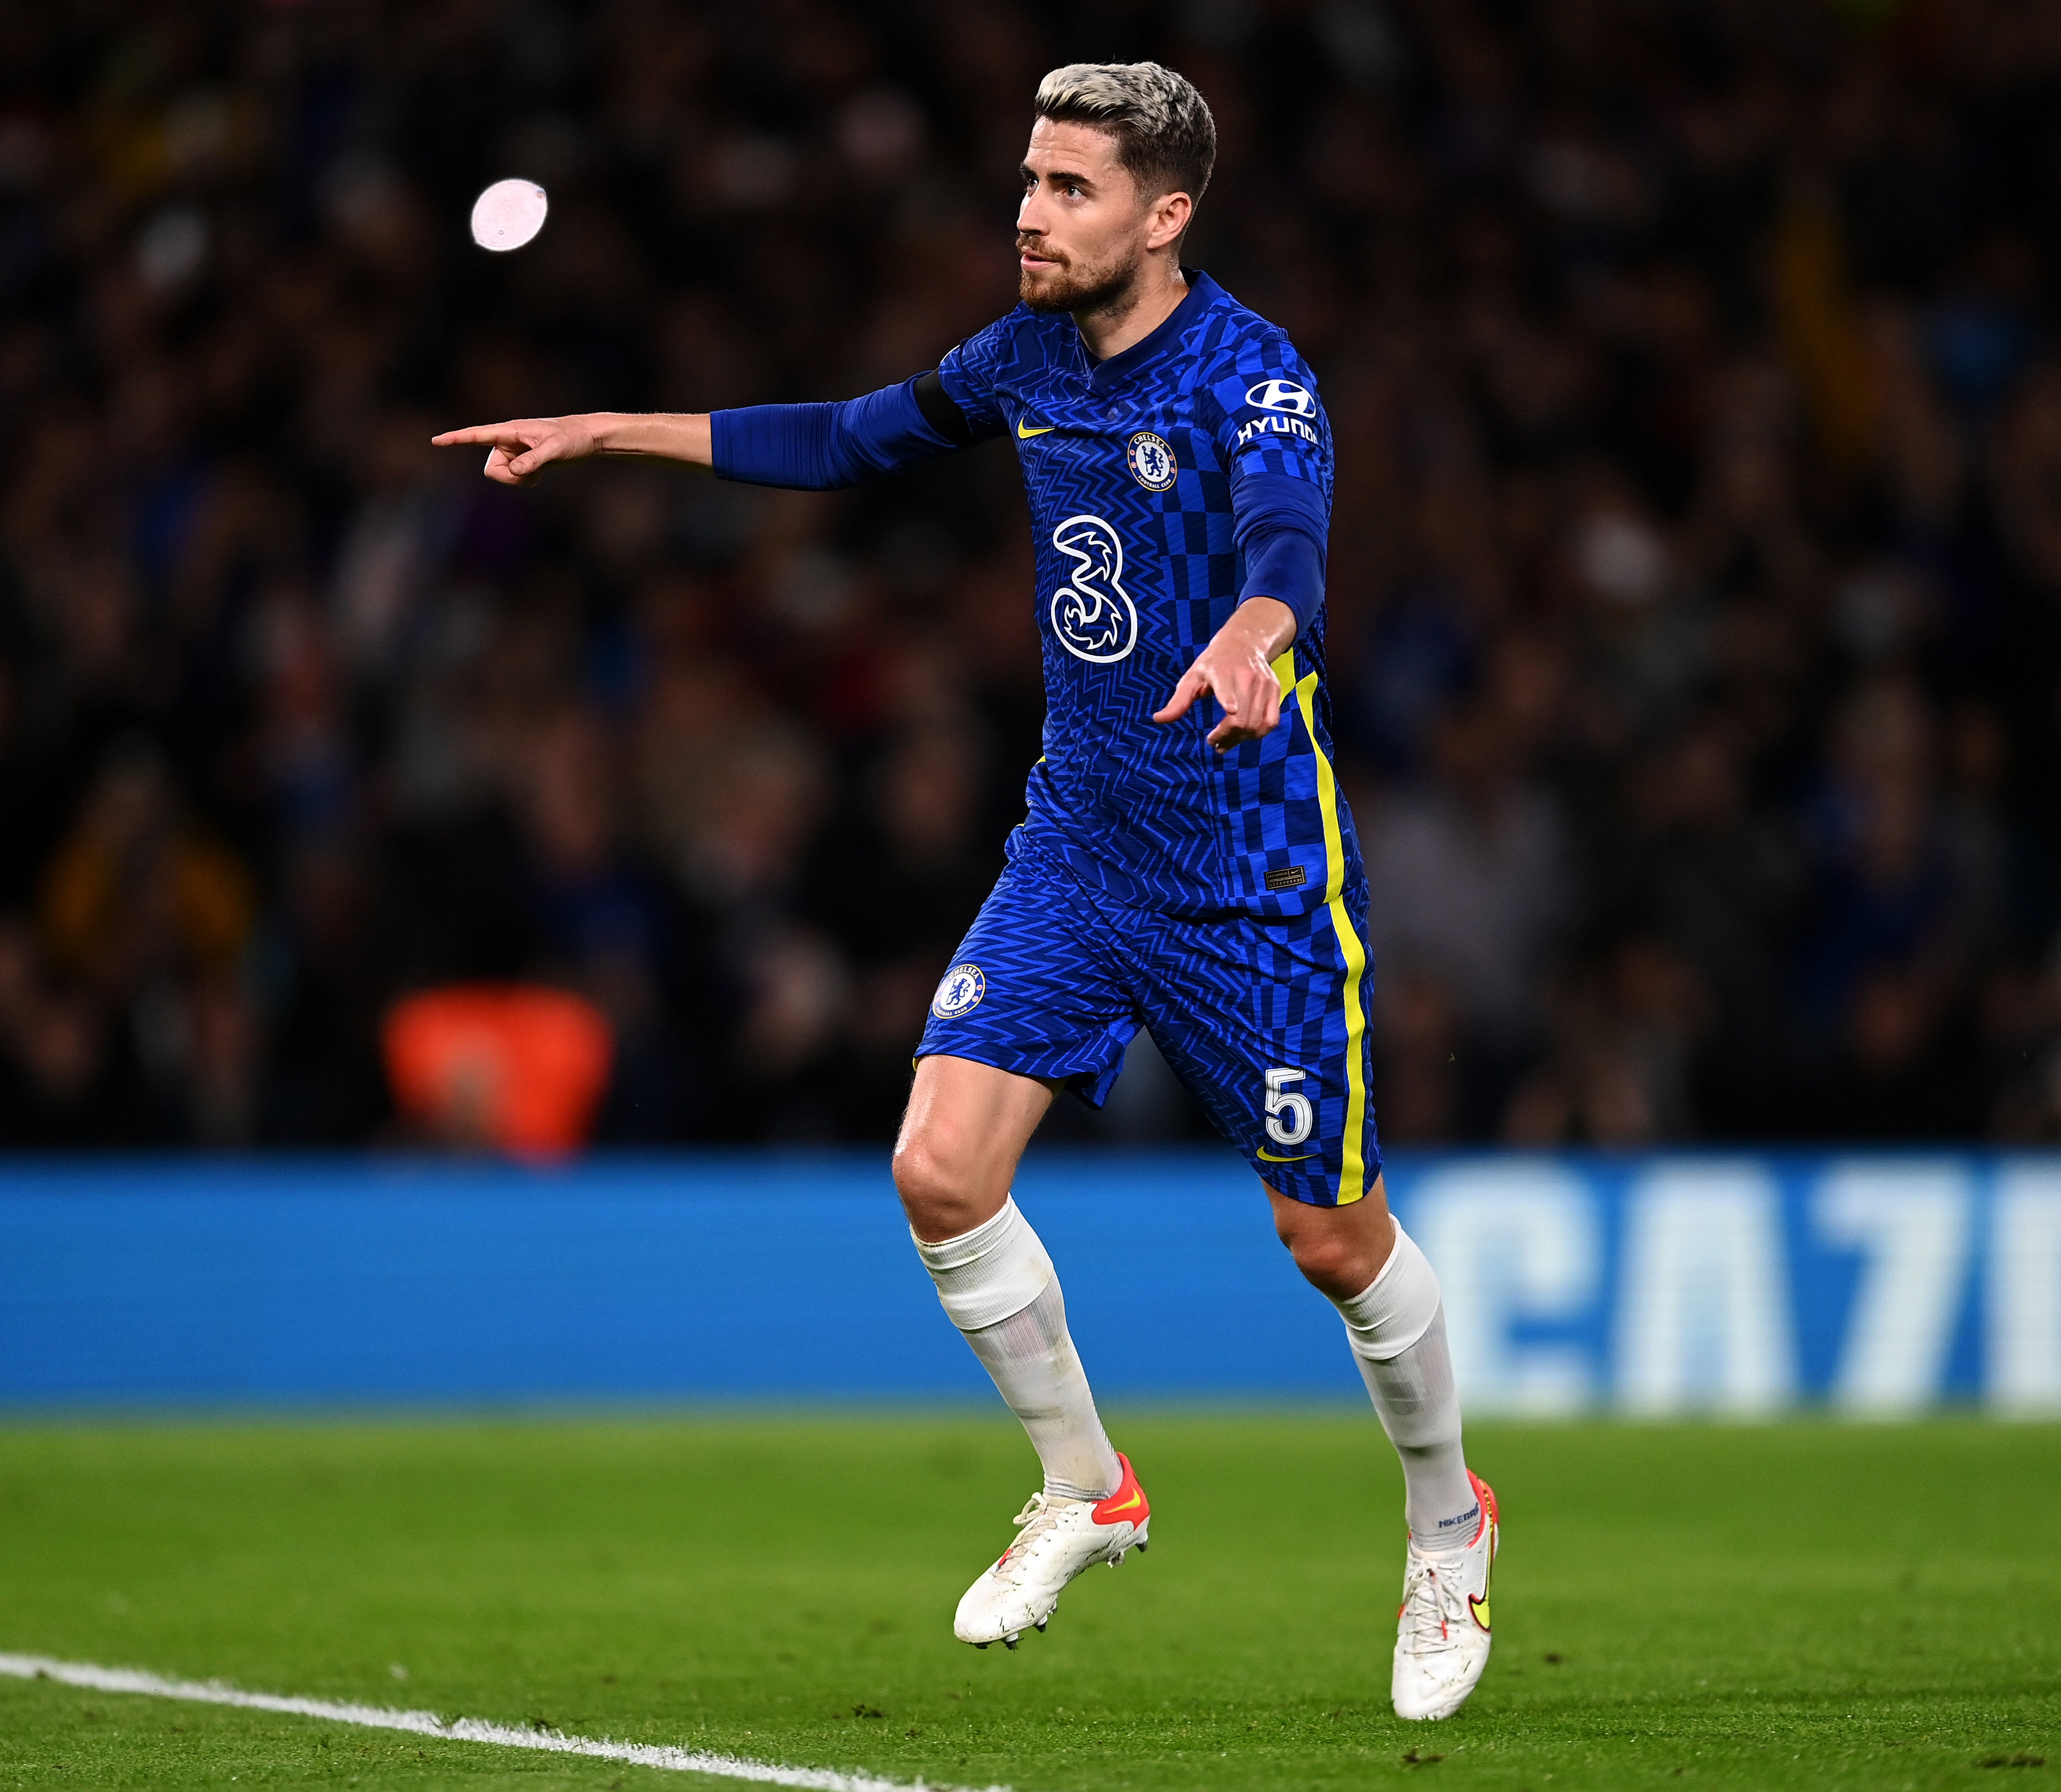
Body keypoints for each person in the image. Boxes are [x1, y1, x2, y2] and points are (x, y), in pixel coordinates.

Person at [434, 60, 1497, 1723]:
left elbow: (1291, 536)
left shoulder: (1252, 372)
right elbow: (850, 438)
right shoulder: (1023, 358)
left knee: (1331, 1239)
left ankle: (1450, 1523)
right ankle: (1089, 1485)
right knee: (936, 1169)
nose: (1029, 212)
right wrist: (608, 431)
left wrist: (1257, 631)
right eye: (1027, 180)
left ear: (1167, 216)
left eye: (1071, 190)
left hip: (1251, 879)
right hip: (1078, 849)